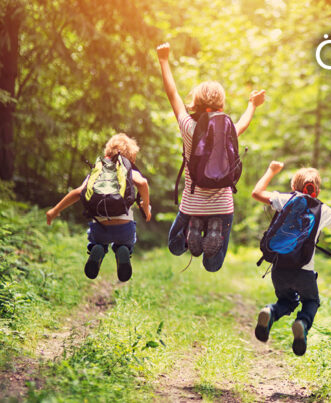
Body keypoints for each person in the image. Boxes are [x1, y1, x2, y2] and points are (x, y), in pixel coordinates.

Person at [156, 42, 265, 272]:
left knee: (175, 246)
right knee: (212, 265)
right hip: (223, 205)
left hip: (192, 203)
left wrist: (164, 60)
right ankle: (212, 225)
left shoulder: (189, 127)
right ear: (221, 104)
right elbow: (243, 123)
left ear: (196, 102)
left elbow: (172, 93)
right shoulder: (228, 130)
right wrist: (252, 105)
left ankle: (194, 225)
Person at [251, 161, 331, 355]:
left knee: (287, 300)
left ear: (294, 186)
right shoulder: (323, 210)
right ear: (317, 190)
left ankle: (270, 312)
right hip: (305, 272)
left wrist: (271, 171)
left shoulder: (285, 199)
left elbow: (256, 193)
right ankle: (302, 323)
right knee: (311, 302)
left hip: (279, 268)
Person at [46, 133, 151, 282]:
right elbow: (143, 183)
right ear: (131, 157)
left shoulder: (98, 170)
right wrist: (146, 207)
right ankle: (124, 250)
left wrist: (54, 210)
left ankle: (98, 248)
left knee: (97, 241)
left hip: (100, 228)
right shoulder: (127, 169)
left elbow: (78, 192)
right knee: (126, 243)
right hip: (124, 228)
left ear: (107, 152)